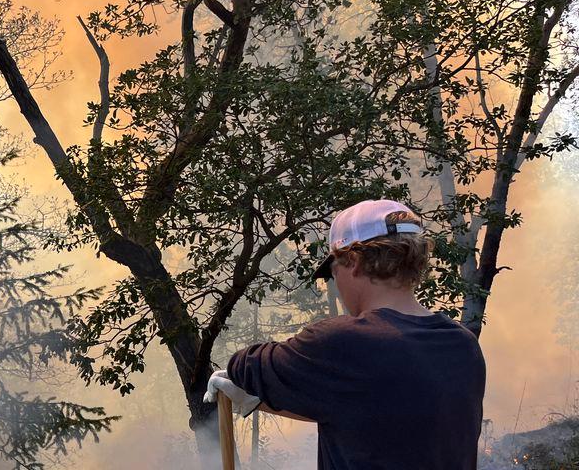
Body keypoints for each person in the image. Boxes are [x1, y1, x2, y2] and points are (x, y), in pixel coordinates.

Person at [205, 199, 486, 469]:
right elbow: (369, 412)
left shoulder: (344, 343)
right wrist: (268, 402)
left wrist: (245, 384)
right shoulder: (462, 346)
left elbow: (246, 365)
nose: (335, 283)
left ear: (353, 261)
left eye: (333, 270)